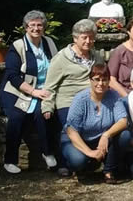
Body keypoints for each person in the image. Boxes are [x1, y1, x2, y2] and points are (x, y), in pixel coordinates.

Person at [41, 19, 104, 177]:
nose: (88, 41)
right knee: (70, 129)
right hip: (68, 101)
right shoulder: (61, 58)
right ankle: (65, 162)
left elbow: (104, 79)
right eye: (84, 37)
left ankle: (93, 158)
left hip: (92, 100)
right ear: (75, 38)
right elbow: (50, 85)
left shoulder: (97, 56)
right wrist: (47, 106)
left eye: (91, 37)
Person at [0, 10, 58, 174]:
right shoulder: (18, 46)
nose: (36, 28)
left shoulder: (49, 43)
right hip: (17, 91)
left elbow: (57, 65)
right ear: (26, 27)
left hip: (44, 90)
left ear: (44, 27)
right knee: (17, 116)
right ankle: (10, 160)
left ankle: (48, 153)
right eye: (32, 25)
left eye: (39, 25)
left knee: (43, 113)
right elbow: (13, 76)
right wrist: (33, 91)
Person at [61, 64, 127, 184]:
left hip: (101, 139)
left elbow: (123, 121)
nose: (100, 83)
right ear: (90, 80)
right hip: (78, 139)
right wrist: (89, 152)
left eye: (104, 80)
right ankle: (80, 168)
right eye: (97, 79)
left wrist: (106, 135)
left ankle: (108, 171)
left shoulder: (114, 96)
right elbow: (71, 130)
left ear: (109, 81)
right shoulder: (80, 99)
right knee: (78, 160)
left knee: (125, 135)